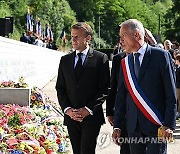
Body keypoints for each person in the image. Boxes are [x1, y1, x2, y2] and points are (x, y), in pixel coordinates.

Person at [112, 19, 176, 154]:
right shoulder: (125, 62)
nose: (121, 40)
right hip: (133, 127)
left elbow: (170, 93)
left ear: (136, 35)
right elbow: (121, 96)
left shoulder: (161, 56)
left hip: (157, 125)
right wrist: (117, 126)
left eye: (123, 36)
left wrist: (169, 124)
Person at [55, 22, 110, 154]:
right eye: (72, 36)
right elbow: (60, 88)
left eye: (77, 37)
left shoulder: (100, 58)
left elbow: (105, 88)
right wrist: (68, 110)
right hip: (71, 117)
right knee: (76, 151)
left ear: (88, 38)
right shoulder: (65, 60)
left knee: (86, 151)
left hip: (91, 117)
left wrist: (88, 109)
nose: (73, 40)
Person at [106, 46, 130, 154]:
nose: (122, 40)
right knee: (125, 148)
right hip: (124, 113)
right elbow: (113, 86)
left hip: (145, 114)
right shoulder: (118, 59)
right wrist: (110, 112)